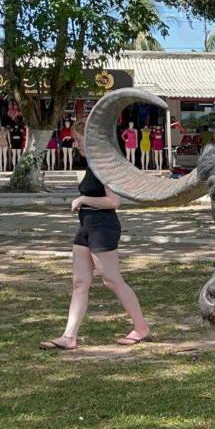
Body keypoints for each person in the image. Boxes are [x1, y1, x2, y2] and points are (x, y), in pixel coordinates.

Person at [38, 123, 152, 350]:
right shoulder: (91, 164)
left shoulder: (103, 165)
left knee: (111, 279)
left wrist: (83, 200)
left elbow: (113, 201)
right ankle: (69, 337)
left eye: (79, 140)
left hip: (103, 226)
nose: (76, 143)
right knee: (80, 282)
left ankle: (141, 327)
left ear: (90, 139)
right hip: (86, 226)